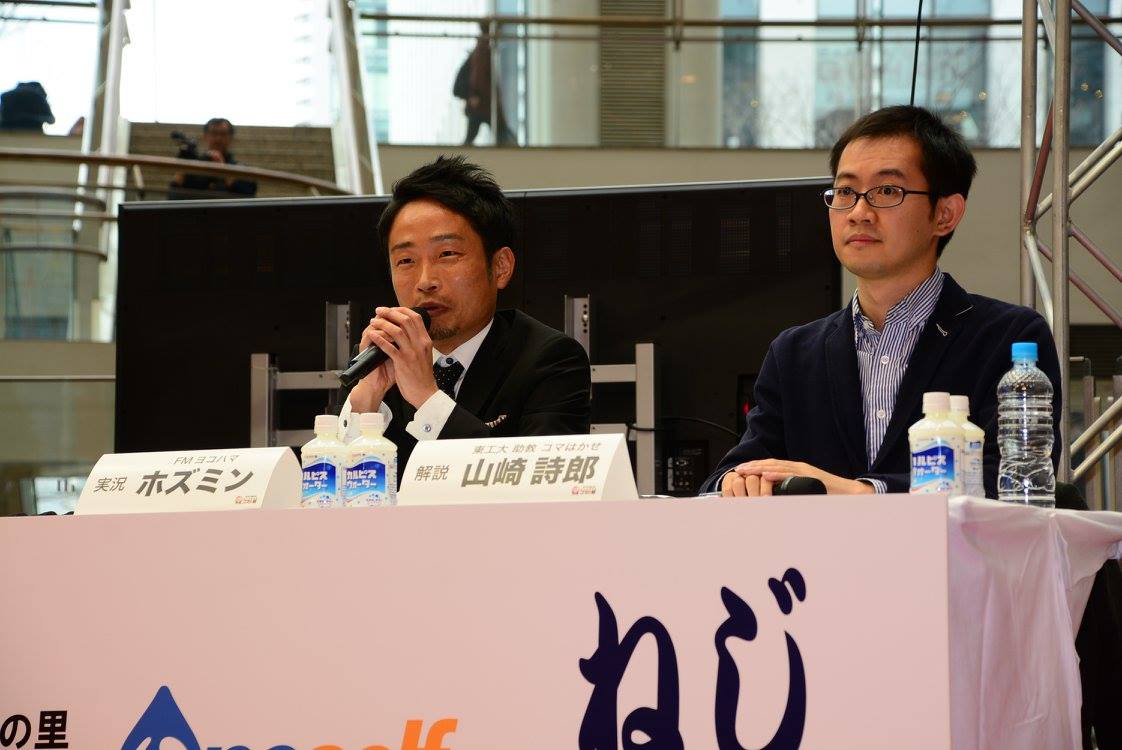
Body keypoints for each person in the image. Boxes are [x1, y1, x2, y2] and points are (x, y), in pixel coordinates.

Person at [701, 105, 1062, 498]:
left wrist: (863, 493)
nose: (859, 212)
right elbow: (732, 473)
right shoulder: (794, 354)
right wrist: (736, 483)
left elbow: (1014, 481)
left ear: (945, 214)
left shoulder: (1009, 339)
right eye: (845, 192)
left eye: (887, 191)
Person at [339, 155, 591, 474]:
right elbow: (329, 492)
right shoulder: (379, 360)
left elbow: (537, 484)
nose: (425, 281)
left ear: (500, 267)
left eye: (447, 254)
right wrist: (364, 405)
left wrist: (426, 397)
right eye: (406, 261)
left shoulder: (550, 360)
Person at [455, 23, 517, 146]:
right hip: (483, 104)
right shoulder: (483, 49)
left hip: (481, 104)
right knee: (503, 135)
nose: (500, 34)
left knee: (472, 137)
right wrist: (476, 95)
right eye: (498, 30)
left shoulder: (483, 48)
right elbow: (479, 76)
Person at [169, 117, 257, 199]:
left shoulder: (242, 170)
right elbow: (173, 198)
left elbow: (248, 195)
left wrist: (223, 168)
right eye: (214, 133)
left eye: (223, 134)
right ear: (205, 136)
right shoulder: (194, 168)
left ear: (231, 138)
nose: (218, 139)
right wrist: (182, 169)